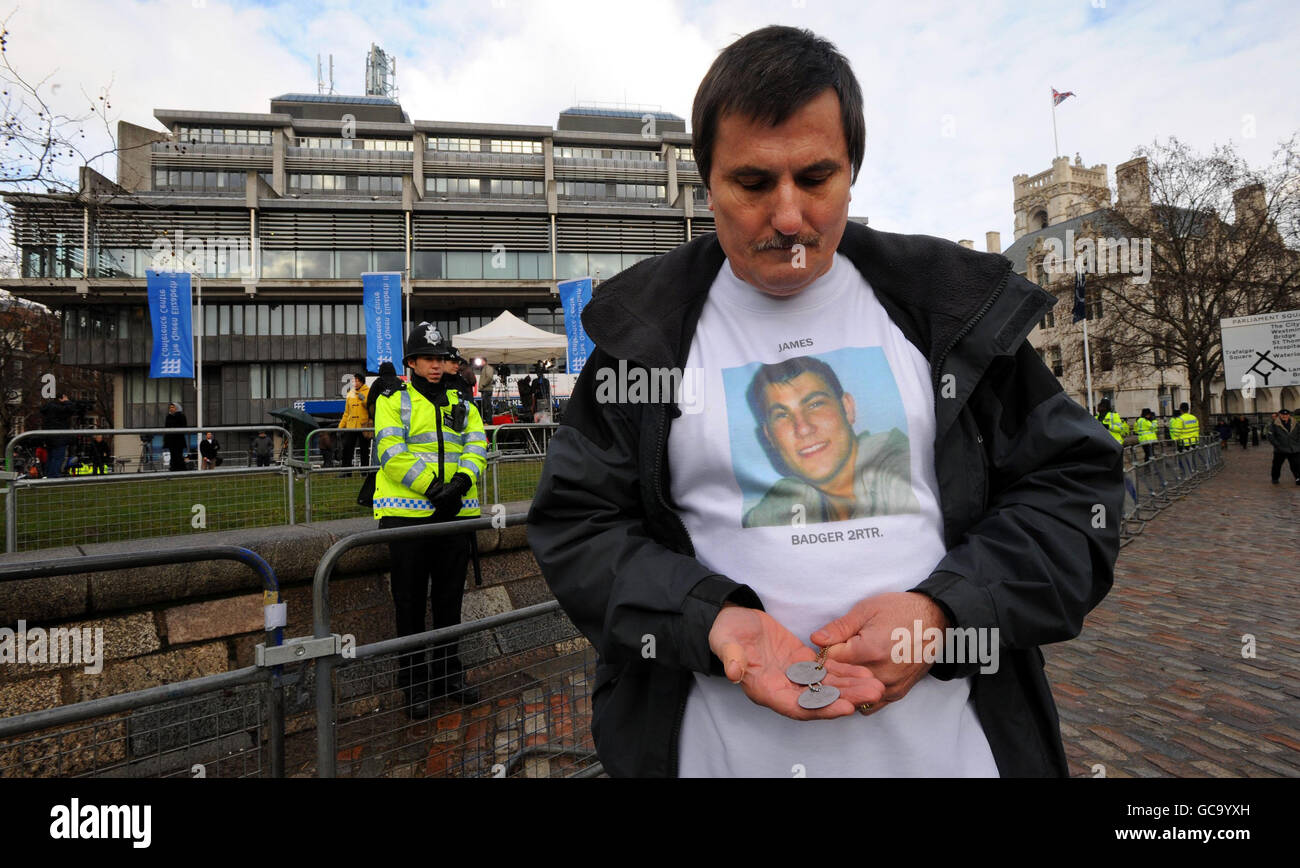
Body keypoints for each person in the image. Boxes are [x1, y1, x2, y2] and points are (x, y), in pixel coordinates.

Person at [527, 26, 1122, 778]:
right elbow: (578, 525)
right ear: (706, 181)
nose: (787, 217)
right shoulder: (641, 332)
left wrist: (944, 614)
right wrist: (709, 622)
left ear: (852, 172)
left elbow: (1075, 495)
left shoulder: (953, 309)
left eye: (815, 178)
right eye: (752, 183)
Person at [373, 322, 488, 717]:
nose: (436, 365)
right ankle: (414, 685)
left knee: (449, 602)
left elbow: (476, 443)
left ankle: (448, 676)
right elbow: (390, 450)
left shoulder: (461, 399)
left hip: (454, 514)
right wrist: (433, 487)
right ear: (411, 363)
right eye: (428, 359)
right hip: (408, 517)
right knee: (408, 604)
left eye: (440, 358)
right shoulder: (393, 398)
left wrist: (461, 482)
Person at [741, 355, 918, 527]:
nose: (803, 428)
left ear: (847, 408)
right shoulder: (786, 500)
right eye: (781, 415)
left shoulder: (901, 470)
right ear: (769, 436)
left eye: (815, 404)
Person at [339, 372, 371, 470]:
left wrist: (363, 399)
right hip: (351, 426)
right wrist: (341, 426)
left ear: (362, 382)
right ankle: (346, 472)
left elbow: (371, 407)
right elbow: (346, 412)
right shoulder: (350, 393)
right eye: (354, 381)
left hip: (363, 425)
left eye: (357, 381)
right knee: (347, 449)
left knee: (364, 450)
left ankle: (365, 472)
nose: (355, 383)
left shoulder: (368, 391)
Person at [39, 393, 77, 478]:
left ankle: (48, 475)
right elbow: (71, 409)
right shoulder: (59, 409)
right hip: (59, 438)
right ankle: (53, 476)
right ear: (61, 398)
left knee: (51, 457)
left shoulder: (49, 407)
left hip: (49, 437)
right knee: (58, 457)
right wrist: (67, 402)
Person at [1267, 409, 1300, 485]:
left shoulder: (1295, 423)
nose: (1284, 416)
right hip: (1280, 449)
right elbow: (1271, 436)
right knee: (1277, 465)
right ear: (1279, 415)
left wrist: (1298, 444)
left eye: (1286, 415)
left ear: (1289, 415)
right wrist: (1278, 445)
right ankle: (1275, 478)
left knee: (1297, 465)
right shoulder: (1274, 424)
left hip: (1294, 448)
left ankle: (1298, 478)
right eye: (1282, 415)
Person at [164, 402, 189, 472]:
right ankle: (173, 469)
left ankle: (181, 469)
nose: (171, 409)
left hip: (178, 440)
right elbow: (166, 428)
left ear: (177, 408)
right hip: (171, 440)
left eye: (173, 407)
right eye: (170, 407)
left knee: (178, 455)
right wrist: (166, 441)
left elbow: (184, 427)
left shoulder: (181, 416)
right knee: (173, 455)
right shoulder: (168, 416)